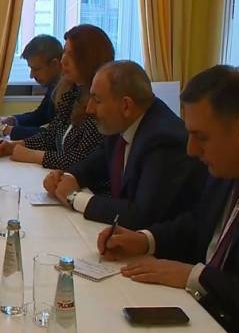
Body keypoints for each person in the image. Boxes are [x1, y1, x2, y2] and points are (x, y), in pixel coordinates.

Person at [97, 66, 239, 333]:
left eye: (201, 137)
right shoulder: (229, 168)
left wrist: (195, 276)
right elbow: (198, 224)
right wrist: (145, 240)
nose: (191, 150)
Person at [43, 60, 207, 229]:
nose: (89, 109)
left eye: (97, 100)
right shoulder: (121, 122)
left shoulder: (164, 140)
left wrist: (74, 198)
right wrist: (65, 178)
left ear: (126, 105)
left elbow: (140, 215)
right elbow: (94, 164)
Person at [0, 24, 111, 170]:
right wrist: (13, 146)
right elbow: (51, 136)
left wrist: (30, 155)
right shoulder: (71, 92)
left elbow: (80, 159)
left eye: (71, 54)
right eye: (64, 52)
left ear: (89, 60)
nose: (63, 61)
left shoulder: (100, 104)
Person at [0, 34, 63, 140]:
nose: (31, 75)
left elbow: (53, 136)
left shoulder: (69, 91)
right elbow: (40, 115)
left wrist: (4, 129)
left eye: (36, 69)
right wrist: (12, 120)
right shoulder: (54, 84)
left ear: (54, 64)